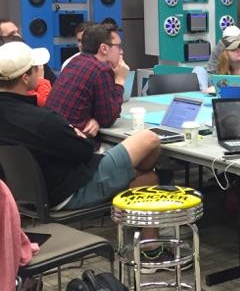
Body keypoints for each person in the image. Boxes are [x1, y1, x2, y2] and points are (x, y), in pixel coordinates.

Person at [0, 40, 160, 213]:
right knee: (149, 139)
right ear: (25, 77)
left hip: (24, 195)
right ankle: (138, 175)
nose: (41, 69)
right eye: (36, 67)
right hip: (67, 192)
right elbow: (84, 152)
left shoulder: (25, 116)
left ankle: (136, 182)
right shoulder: (42, 120)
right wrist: (79, 135)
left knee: (147, 178)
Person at [46, 23, 128, 137]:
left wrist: (94, 119)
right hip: (72, 144)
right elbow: (107, 119)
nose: (121, 51)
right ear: (104, 48)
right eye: (118, 46)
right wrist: (120, 80)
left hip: (53, 138)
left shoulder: (75, 61)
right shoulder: (101, 70)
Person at [0, 18, 57, 84]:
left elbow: (56, 87)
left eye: (17, 32)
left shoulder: (36, 61)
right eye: (11, 34)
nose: (18, 36)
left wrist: (41, 83)